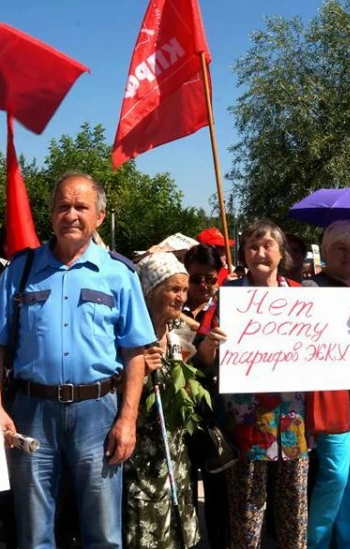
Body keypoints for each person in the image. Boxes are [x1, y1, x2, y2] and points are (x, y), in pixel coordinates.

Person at [0, 171, 154, 548]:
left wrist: (128, 418)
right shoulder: (19, 271)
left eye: (80, 207)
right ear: (51, 213)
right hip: (32, 413)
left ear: (100, 216)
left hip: (98, 414)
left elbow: (135, 353)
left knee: (104, 532)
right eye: (63, 206)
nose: (71, 214)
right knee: (33, 531)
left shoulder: (119, 275)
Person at [202, 220, 310, 549]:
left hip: (293, 417)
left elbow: (330, 342)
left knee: (294, 505)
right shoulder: (228, 297)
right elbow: (205, 358)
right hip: (245, 419)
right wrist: (211, 345)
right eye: (252, 246)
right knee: (247, 506)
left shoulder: (302, 295)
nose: (260, 252)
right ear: (243, 254)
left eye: (268, 246)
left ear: (282, 253)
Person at [308, 220, 350, 549]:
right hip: (333, 395)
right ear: (325, 251)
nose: (349, 254)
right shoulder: (310, 288)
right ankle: (317, 542)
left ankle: (346, 539)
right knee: (334, 475)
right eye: (341, 247)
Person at [123, 254, 199, 549]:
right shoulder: (129, 337)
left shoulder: (179, 335)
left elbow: (188, 395)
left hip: (175, 456)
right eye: (174, 289)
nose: (181, 297)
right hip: (141, 457)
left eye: (184, 290)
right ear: (151, 291)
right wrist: (138, 372)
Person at [181, 244, 229, 549]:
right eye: (195, 278)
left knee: (219, 488)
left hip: (216, 410)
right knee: (185, 485)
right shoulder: (172, 302)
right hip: (181, 410)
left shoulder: (226, 307)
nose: (202, 286)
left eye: (209, 279)